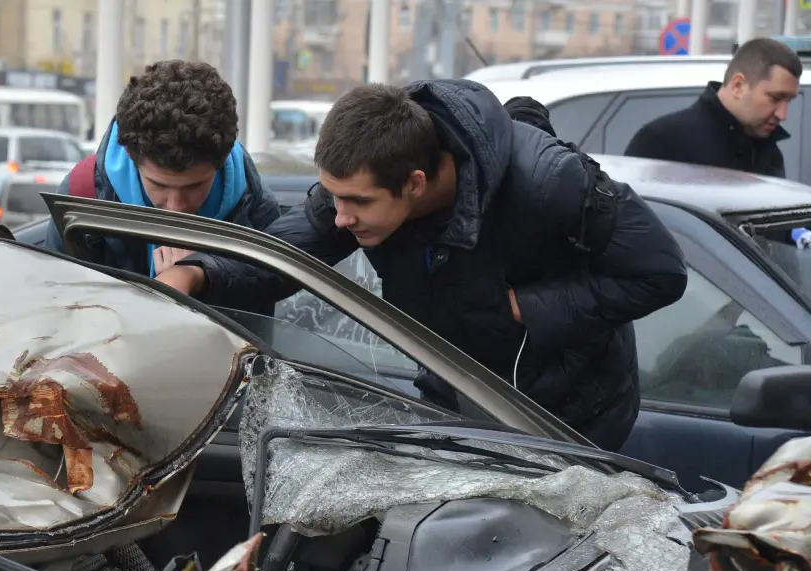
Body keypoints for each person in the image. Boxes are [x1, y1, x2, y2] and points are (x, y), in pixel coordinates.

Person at [155, 81, 689, 451]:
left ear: (414, 183)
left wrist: (528, 308)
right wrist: (197, 273)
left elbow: (661, 272)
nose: (339, 218)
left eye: (357, 203)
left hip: (570, 420)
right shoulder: (374, 161)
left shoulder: (551, 185)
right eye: (332, 196)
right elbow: (287, 254)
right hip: (453, 404)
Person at [44, 60, 279, 278]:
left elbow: (261, 312)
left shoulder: (256, 209)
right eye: (158, 185)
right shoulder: (81, 198)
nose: (176, 208)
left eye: (195, 186)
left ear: (223, 160)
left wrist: (205, 281)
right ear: (130, 155)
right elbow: (58, 307)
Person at [625, 37, 801, 178]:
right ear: (737, 86)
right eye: (775, 98)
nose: (782, 114)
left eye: (788, 101)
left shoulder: (768, 153)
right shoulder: (662, 142)